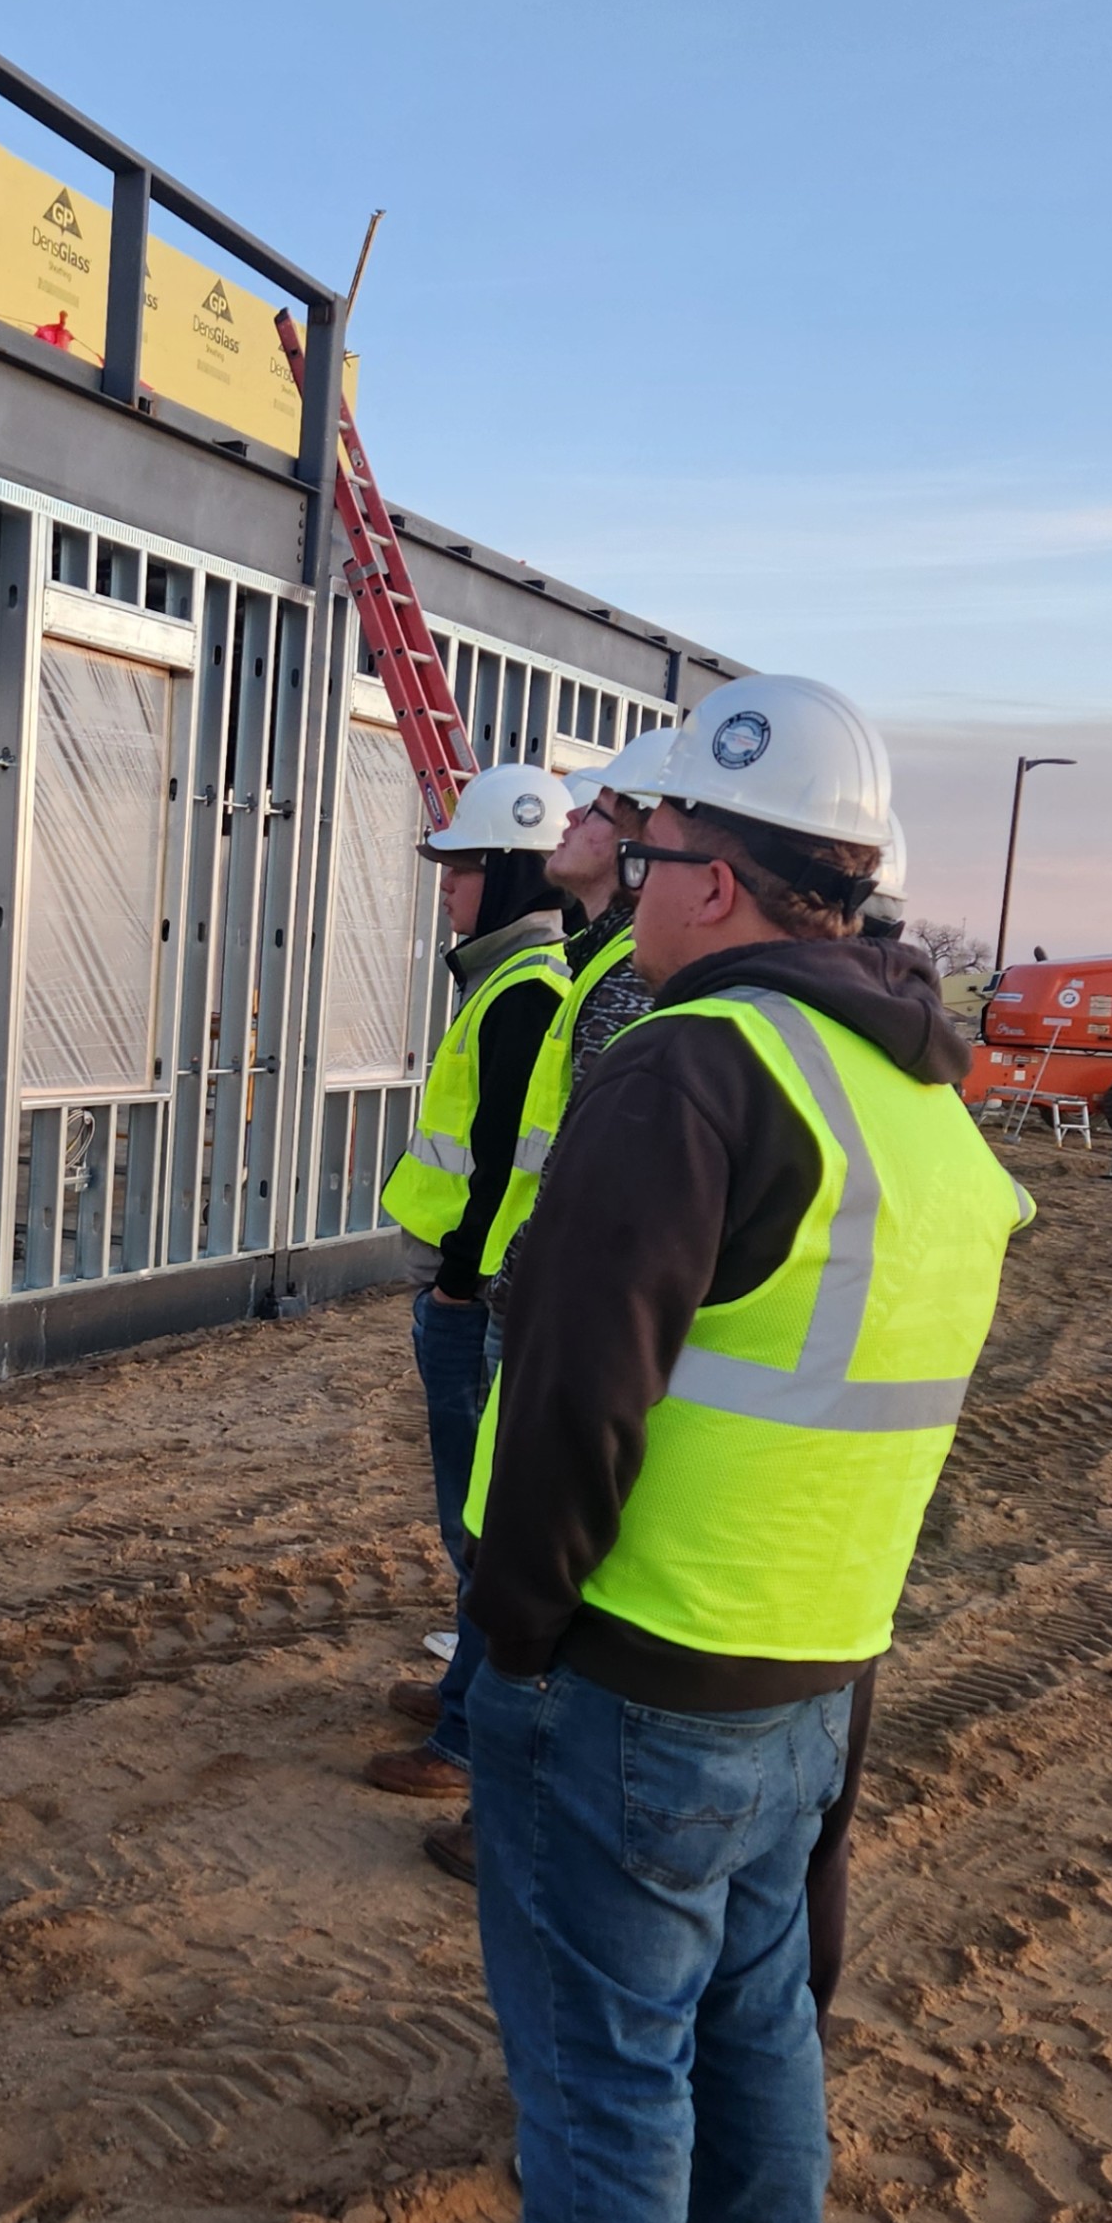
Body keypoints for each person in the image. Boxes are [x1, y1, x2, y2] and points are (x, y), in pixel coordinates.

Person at [315, 674, 1030, 2223]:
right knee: (759, 2047)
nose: (615, 880)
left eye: (641, 852)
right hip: (803, 1683)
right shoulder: (919, 1102)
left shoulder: (695, 1075)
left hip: (631, 1683)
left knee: (608, 2107)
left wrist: (514, 1646)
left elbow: (570, 1404)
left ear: (719, 879)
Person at [414, 723, 680, 1888]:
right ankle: (476, 1729)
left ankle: (492, 1772)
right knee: (498, 1542)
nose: (576, 819)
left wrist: (480, 1285)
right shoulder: (591, 968)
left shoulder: (618, 987)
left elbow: (572, 1179)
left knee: (521, 1555)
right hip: (529, 1309)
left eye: (604, 813)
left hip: (539, 1324)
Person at [368, 762, 571, 1804]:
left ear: (504, 873)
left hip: (477, 1294)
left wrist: (453, 1283)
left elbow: (501, 1160)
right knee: (471, 1522)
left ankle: (463, 1738)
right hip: (475, 1287)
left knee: (477, 1525)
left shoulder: (526, 988)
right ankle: (459, 1694)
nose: (444, 887)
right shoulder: (508, 976)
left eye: (459, 869)